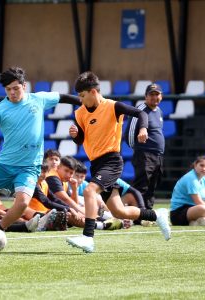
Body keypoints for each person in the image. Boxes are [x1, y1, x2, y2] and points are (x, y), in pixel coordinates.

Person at [66, 71, 171, 253]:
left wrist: (143, 129)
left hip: (112, 161)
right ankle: (156, 214)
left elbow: (141, 113)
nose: (81, 100)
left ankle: (88, 237)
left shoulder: (113, 106)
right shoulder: (80, 113)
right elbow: (81, 139)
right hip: (97, 164)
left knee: (90, 191)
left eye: (82, 96)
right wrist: (75, 136)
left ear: (93, 92)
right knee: (119, 212)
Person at [0, 66, 81, 232]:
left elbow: (63, 97)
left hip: (29, 166)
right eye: (8, 89)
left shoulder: (38, 99)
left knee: (22, 203)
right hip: (5, 164)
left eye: (16, 88)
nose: (12, 92)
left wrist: (85, 102)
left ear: (24, 86)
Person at [125, 83, 164, 209]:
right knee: (141, 185)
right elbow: (129, 134)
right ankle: (136, 213)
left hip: (158, 155)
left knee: (152, 185)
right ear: (145, 97)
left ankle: (147, 213)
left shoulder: (159, 111)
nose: (154, 97)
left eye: (157, 94)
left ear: (161, 96)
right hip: (144, 154)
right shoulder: (140, 110)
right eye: (151, 94)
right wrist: (139, 149)